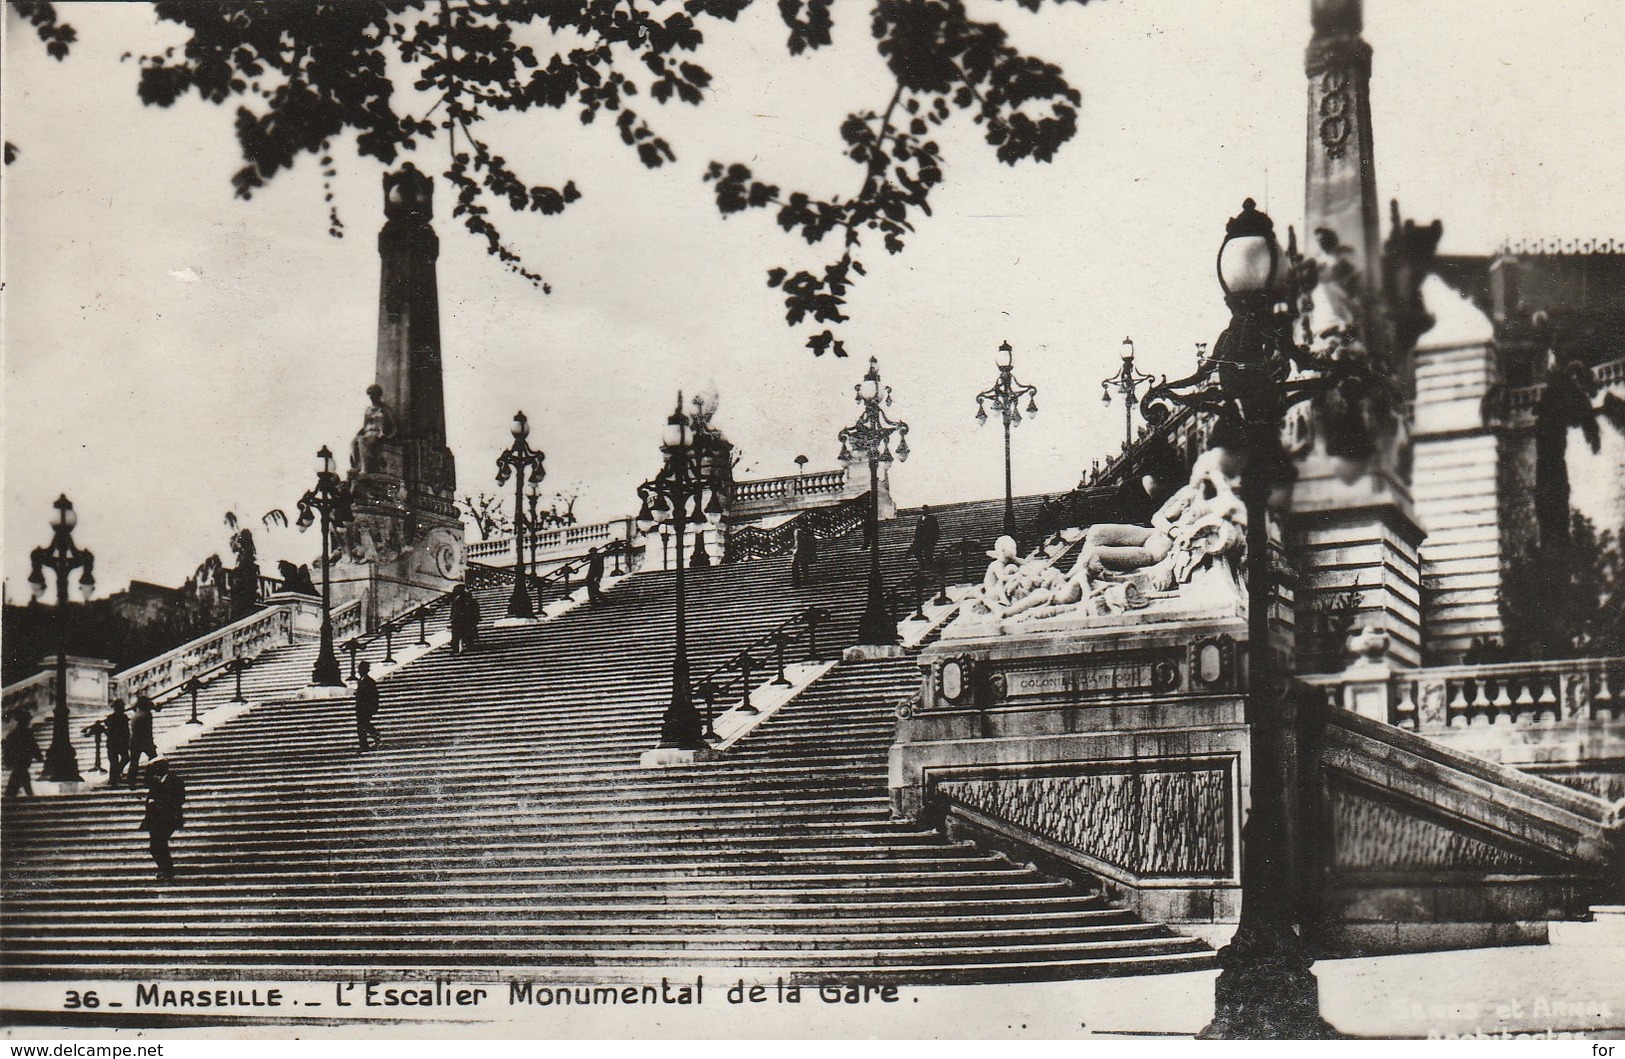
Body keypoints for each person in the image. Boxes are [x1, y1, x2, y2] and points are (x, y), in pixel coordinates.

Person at [138, 758, 186, 883]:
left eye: (157, 769)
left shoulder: (175, 781)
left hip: (169, 818)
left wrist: (161, 802)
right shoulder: (155, 782)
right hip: (155, 819)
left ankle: (168, 871)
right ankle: (165, 870)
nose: (155, 772)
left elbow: (180, 799)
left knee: (159, 845)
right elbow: (150, 797)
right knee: (154, 847)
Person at [4, 709, 42, 799]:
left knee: (17, 781)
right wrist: (39, 757)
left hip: (17, 763)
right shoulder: (27, 733)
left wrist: (7, 760)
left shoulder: (12, 734)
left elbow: (7, 749)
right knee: (21, 780)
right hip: (23, 762)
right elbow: (33, 746)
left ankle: (27, 796)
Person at [127, 696, 158, 789]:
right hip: (144, 741)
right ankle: (148, 780)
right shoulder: (146, 714)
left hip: (134, 741)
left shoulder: (136, 713)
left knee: (134, 763)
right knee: (153, 759)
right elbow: (148, 731)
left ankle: (131, 782)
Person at [100, 699, 130, 784]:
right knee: (124, 758)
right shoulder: (123, 717)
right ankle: (115, 776)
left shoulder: (110, 718)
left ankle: (113, 777)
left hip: (112, 742)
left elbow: (107, 729)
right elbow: (126, 731)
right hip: (120, 742)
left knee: (114, 761)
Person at [355, 661, 382, 752]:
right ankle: (365, 744)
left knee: (363, 725)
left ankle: (373, 737)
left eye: (361, 669)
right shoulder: (360, 680)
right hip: (360, 708)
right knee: (362, 726)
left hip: (366, 708)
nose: (359, 671)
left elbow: (374, 696)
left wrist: (374, 708)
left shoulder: (369, 681)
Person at [448, 584, 480, 656]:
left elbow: (455, 611)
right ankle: (461, 647)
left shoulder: (460, 601)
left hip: (463, 621)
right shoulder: (459, 601)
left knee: (460, 634)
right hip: (463, 621)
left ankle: (459, 647)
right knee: (462, 634)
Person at [907, 505, 941, 570]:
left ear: (928, 511)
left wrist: (934, 540)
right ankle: (922, 564)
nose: (924, 511)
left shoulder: (932, 518)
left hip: (929, 540)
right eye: (923, 510)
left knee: (928, 554)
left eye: (925, 510)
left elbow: (936, 530)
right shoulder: (920, 519)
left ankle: (930, 566)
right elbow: (917, 531)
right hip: (920, 540)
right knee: (916, 551)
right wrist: (915, 540)